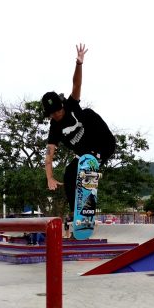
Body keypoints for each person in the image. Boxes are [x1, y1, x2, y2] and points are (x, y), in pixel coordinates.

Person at [43, 44, 116, 226]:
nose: (58, 115)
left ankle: (94, 163)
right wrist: (49, 177)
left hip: (103, 143)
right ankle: (81, 215)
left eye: (59, 111)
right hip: (86, 154)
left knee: (88, 114)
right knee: (69, 174)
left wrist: (79, 64)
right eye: (54, 114)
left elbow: (76, 84)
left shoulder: (70, 104)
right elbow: (49, 155)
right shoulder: (54, 129)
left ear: (61, 105)